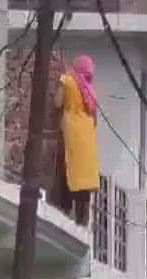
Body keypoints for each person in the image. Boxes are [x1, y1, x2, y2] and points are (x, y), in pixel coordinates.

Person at [53, 54, 100, 226]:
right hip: (88, 137)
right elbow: (95, 119)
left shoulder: (68, 81)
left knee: (69, 169)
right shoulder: (91, 91)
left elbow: (57, 103)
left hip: (72, 132)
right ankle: (82, 219)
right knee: (84, 176)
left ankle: (65, 209)